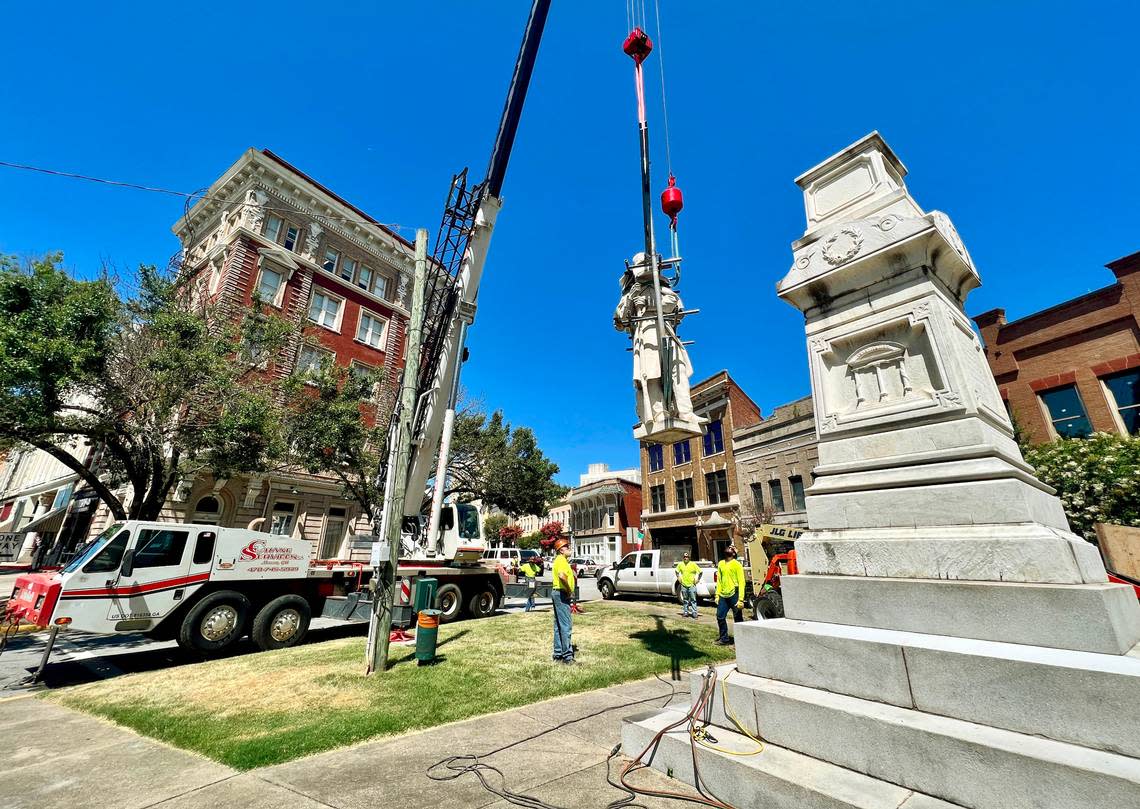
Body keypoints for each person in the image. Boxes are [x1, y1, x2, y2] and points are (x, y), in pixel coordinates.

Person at [551, 537, 577, 664]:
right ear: (561, 550)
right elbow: (562, 576)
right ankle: (567, 656)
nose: (569, 549)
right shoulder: (561, 560)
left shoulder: (562, 560)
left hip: (557, 593)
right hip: (561, 594)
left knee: (558, 625)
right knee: (566, 625)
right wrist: (569, 590)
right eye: (567, 547)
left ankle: (558, 653)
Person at [715, 545, 746, 645]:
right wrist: (717, 595)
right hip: (723, 595)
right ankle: (724, 639)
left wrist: (741, 599)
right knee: (720, 616)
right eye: (728, 547)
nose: (729, 548)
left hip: (734, 594)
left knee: (738, 618)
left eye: (732, 548)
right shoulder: (720, 564)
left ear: (733, 553)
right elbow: (719, 581)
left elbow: (742, 582)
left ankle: (742, 640)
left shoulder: (737, 565)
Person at [675, 551, 702, 619]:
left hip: (692, 585)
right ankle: (685, 612)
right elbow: (676, 571)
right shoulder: (680, 564)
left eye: (687, 557)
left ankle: (694, 613)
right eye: (684, 557)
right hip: (684, 585)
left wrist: (697, 580)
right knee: (685, 600)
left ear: (689, 558)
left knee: (693, 600)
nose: (685, 558)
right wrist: (678, 578)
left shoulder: (693, 564)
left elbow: (700, 572)